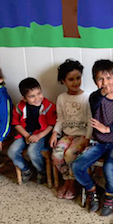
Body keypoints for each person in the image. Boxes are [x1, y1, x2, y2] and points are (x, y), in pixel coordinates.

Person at [72, 59, 113, 216]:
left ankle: (111, 195)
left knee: (109, 166)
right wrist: (103, 93)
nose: (105, 82)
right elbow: (95, 101)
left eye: (109, 78)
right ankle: (93, 190)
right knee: (77, 166)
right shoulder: (95, 98)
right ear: (95, 82)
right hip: (98, 143)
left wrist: (107, 129)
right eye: (100, 79)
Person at [49, 59, 92, 199]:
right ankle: (67, 179)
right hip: (67, 136)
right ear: (63, 81)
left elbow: (91, 121)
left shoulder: (87, 98)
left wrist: (87, 138)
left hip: (82, 137)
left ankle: (73, 185)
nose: (75, 82)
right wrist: (55, 133)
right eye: (71, 79)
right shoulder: (61, 98)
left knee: (69, 155)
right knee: (56, 155)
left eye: (78, 78)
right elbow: (60, 119)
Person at [7, 77, 56, 183]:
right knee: (12, 151)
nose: (37, 98)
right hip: (25, 134)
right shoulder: (19, 107)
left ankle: (41, 171)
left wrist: (38, 136)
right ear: (24, 98)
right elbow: (16, 123)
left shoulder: (48, 106)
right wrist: (26, 136)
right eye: (32, 96)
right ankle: (26, 169)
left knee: (32, 151)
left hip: (41, 134)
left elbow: (51, 125)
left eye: (39, 93)